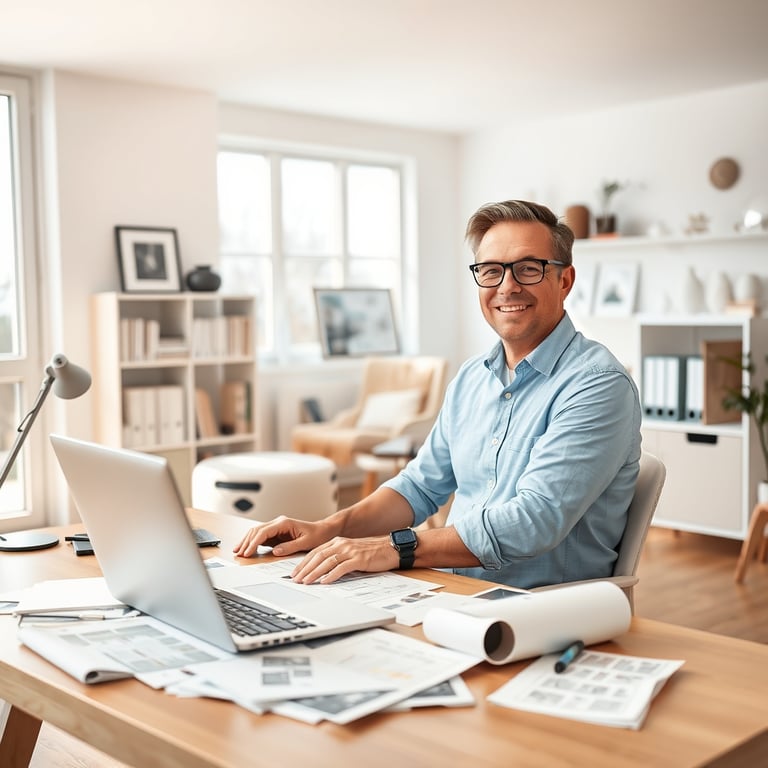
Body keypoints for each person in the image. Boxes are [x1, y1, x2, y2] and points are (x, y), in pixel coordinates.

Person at [234, 199, 642, 589]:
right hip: (447, 591)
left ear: (564, 280)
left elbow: (534, 521)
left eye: (528, 269)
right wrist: (327, 529)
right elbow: (419, 487)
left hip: (541, 609)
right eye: (491, 271)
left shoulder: (597, 384)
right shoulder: (471, 378)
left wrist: (393, 549)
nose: (507, 287)